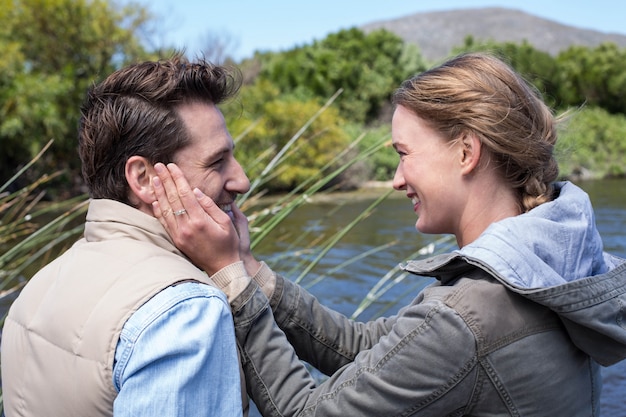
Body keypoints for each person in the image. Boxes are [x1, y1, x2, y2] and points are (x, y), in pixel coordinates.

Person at [151, 52, 626, 416]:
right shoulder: (553, 268)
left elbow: (306, 411)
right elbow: (372, 349)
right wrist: (253, 271)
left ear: (466, 153)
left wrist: (228, 276)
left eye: (404, 152)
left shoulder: (470, 317)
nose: (397, 179)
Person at [1, 55, 251, 416]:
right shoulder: (184, 311)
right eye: (216, 162)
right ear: (144, 178)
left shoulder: (37, 288)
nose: (242, 180)